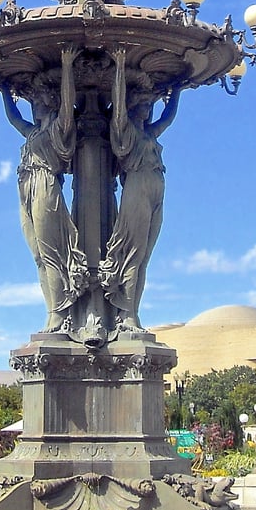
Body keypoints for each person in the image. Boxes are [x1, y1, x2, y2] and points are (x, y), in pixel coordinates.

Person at [0, 45, 88, 332]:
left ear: (48, 103)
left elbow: (67, 104)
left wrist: (66, 68)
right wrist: (2, 89)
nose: (32, 104)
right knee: (38, 255)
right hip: (25, 186)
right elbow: (13, 119)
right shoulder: (33, 132)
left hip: (45, 185)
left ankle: (60, 316)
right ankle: (53, 309)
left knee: (52, 254)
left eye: (36, 100)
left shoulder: (59, 128)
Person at [98, 46, 181, 330]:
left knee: (144, 256)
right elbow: (118, 109)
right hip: (137, 188)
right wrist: (119, 67)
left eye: (150, 105)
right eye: (145, 105)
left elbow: (168, 119)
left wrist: (177, 89)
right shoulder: (125, 131)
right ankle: (126, 314)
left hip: (156, 188)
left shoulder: (149, 133)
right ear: (134, 107)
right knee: (132, 252)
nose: (149, 108)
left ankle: (132, 310)